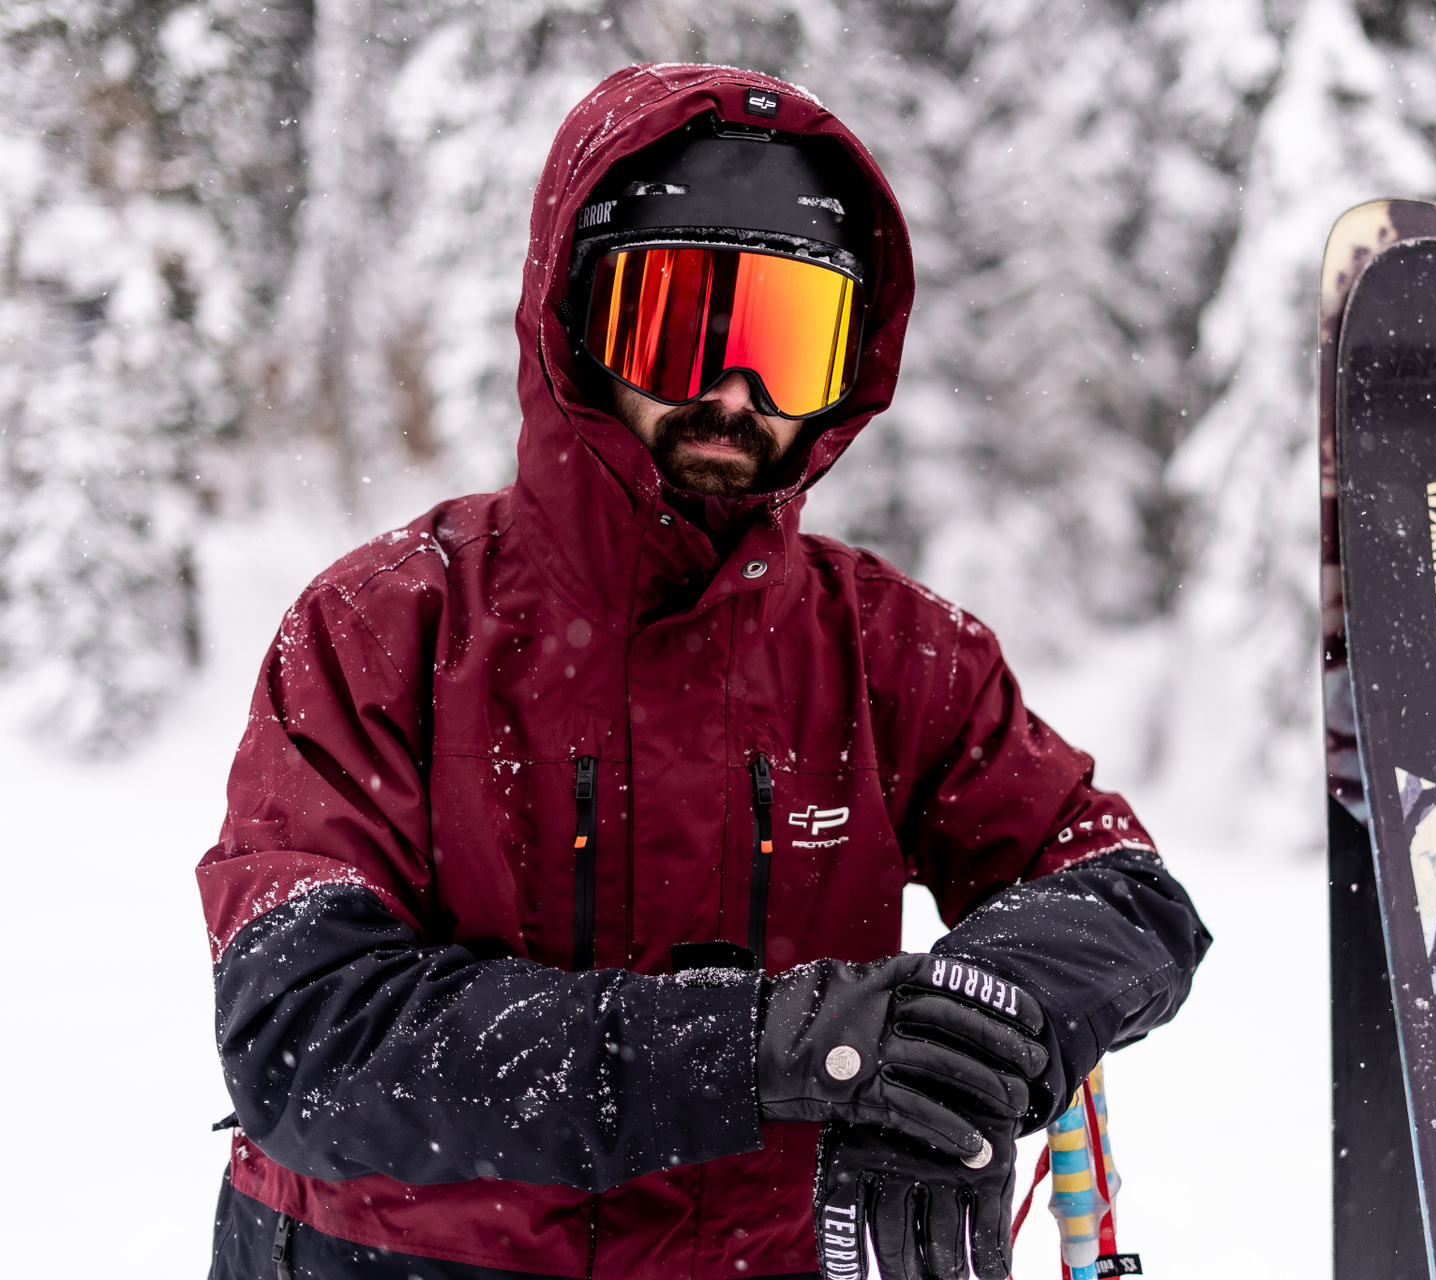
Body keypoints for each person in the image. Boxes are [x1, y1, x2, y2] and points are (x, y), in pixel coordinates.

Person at [198, 63, 1210, 1280]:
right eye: (678, 329)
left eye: (791, 343)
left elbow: (1119, 886)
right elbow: (307, 1036)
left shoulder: (891, 648)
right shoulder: (381, 630)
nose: (735, 393)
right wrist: (770, 1043)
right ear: (576, 322)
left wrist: (975, 1029)